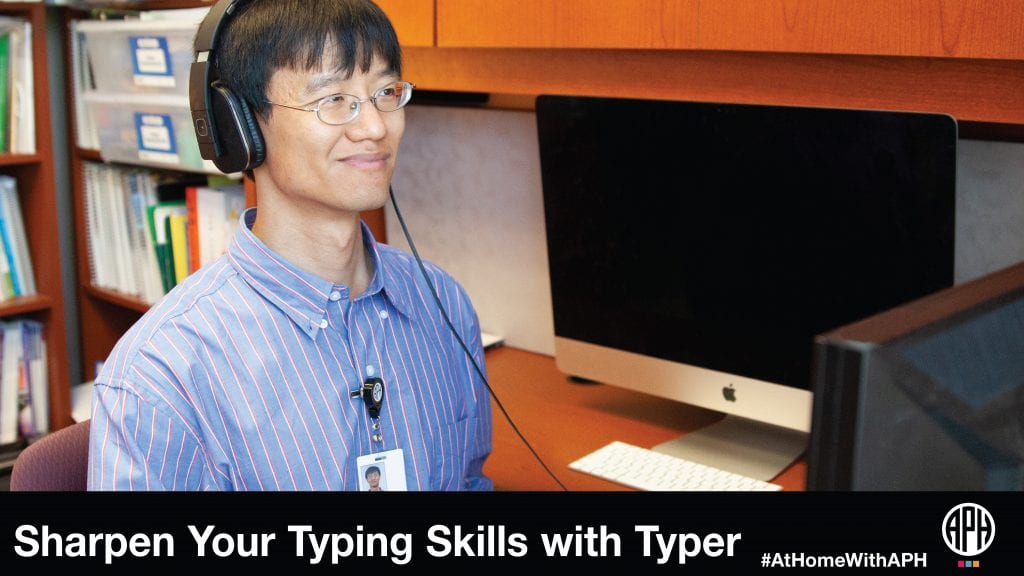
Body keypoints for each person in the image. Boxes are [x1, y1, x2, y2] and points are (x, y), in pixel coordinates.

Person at [87, 0, 493, 491]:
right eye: (334, 100)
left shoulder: (442, 304)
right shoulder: (162, 377)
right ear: (240, 128)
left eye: (385, 92)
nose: (375, 128)